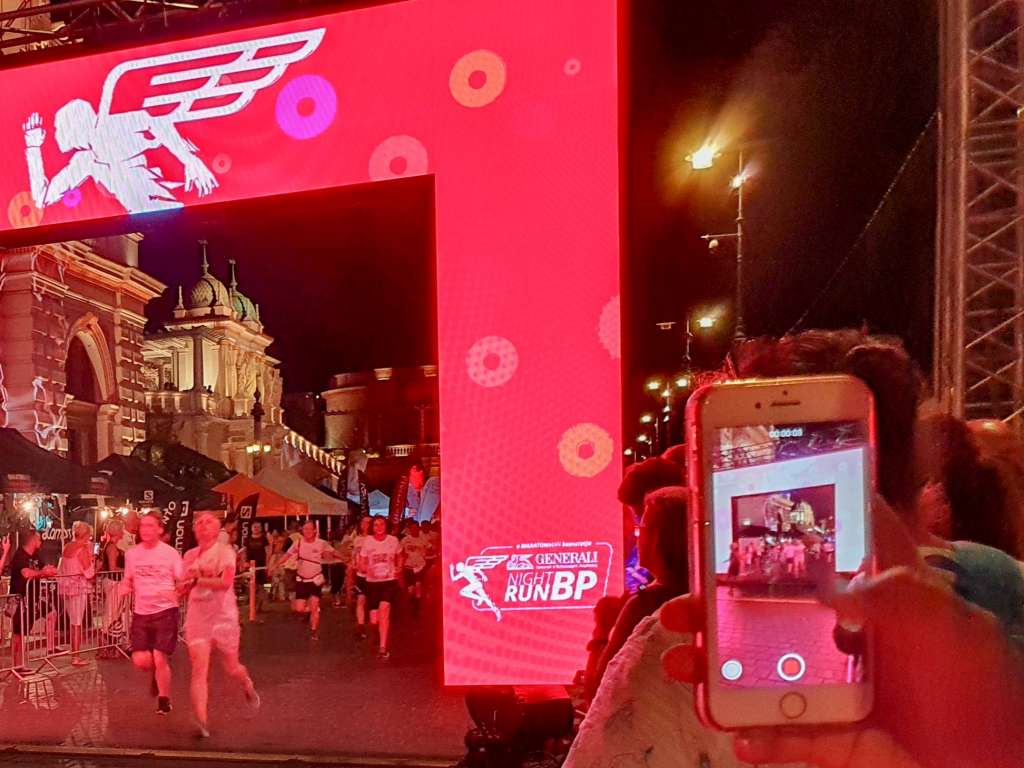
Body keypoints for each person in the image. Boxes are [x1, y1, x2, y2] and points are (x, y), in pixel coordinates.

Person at [582, 486, 688, 704]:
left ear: (661, 538)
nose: (637, 537)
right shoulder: (708, 596)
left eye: (643, 528)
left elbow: (598, 693)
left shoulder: (645, 605)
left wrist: (602, 628)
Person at [181, 513, 260, 738]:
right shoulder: (189, 556)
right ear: (194, 530)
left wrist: (197, 580)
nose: (203, 526)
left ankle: (246, 682)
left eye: (208, 522)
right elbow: (184, 586)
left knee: (232, 667)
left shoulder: (225, 552)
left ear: (217, 530)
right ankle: (201, 720)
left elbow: (225, 583)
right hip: (199, 617)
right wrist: (175, 591)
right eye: (199, 523)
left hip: (223, 617)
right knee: (199, 668)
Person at [119, 512, 183, 715]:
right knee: (140, 660)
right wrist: (125, 586)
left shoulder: (170, 553)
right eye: (142, 526)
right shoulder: (132, 554)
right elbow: (128, 578)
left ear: (159, 529)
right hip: (141, 612)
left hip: (165, 610)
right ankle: (155, 672)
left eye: (150, 526)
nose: (145, 530)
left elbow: (182, 579)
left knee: (159, 655)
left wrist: (177, 593)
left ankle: (164, 700)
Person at [276, 520, 344, 638]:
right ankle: (312, 610)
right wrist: (276, 564)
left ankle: (314, 631)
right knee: (299, 608)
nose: (307, 531)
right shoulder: (298, 543)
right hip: (301, 579)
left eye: (309, 529)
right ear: (302, 530)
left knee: (314, 603)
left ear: (315, 531)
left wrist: (346, 559)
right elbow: (287, 555)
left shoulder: (321, 543)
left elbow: (334, 552)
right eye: (305, 529)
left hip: (315, 579)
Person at [8, 531, 58, 672]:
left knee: (51, 613)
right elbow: (26, 573)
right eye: (39, 539)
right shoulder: (20, 556)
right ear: (33, 540)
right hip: (20, 599)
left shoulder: (35, 556)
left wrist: (49, 570)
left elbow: (42, 568)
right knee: (19, 632)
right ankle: (17, 665)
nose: (41, 541)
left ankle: (50, 648)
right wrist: (43, 573)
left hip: (34, 598)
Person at [357, 516, 402, 659]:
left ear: (386, 526)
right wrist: (366, 569)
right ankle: (377, 631)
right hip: (372, 583)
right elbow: (362, 563)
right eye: (375, 525)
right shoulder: (367, 542)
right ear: (372, 528)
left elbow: (400, 556)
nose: (379, 527)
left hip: (388, 581)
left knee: (384, 610)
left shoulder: (393, 541)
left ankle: (383, 648)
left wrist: (398, 568)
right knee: (374, 619)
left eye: (381, 524)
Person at [57, 522, 96, 666]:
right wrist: (94, 564)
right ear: (86, 535)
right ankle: (76, 655)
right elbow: (89, 573)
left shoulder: (67, 547)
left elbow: (61, 567)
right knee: (77, 623)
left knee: (73, 621)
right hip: (78, 588)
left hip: (65, 588)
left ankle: (74, 653)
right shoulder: (82, 549)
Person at [348, 515, 372, 638]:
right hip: (361, 575)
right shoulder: (357, 539)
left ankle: (375, 626)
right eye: (364, 522)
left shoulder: (375, 539)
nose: (366, 525)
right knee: (360, 600)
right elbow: (353, 556)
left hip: (375, 576)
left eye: (368, 522)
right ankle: (361, 626)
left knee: (374, 604)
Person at [400, 519, 430, 611]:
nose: (415, 530)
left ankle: (417, 605)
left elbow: (430, 548)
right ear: (410, 529)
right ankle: (413, 600)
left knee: (418, 585)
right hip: (408, 567)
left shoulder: (423, 539)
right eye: (412, 528)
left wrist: (426, 554)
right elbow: (400, 553)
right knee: (411, 589)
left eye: (416, 528)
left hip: (420, 567)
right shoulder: (405, 540)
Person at [243, 521, 269, 614]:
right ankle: (253, 605)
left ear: (261, 528)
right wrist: (244, 562)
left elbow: (268, 551)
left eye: (258, 527)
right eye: (254, 527)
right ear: (251, 528)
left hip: (262, 565)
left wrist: (268, 564)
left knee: (264, 585)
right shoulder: (247, 539)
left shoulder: (264, 539)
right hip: (250, 566)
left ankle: (261, 604)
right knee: (251, 586)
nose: (256, 528)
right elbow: (245, 552)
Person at [266, 537, 288, 602]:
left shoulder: (283, 553)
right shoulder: (271, 551)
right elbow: (269, 558)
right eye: (278, 542)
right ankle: (269, 595)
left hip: (279, 567)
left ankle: (281, 596)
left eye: (281, 543)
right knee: (270, 583)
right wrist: (269, 568)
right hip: (272, 567)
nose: (280, 544)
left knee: (280, 582)